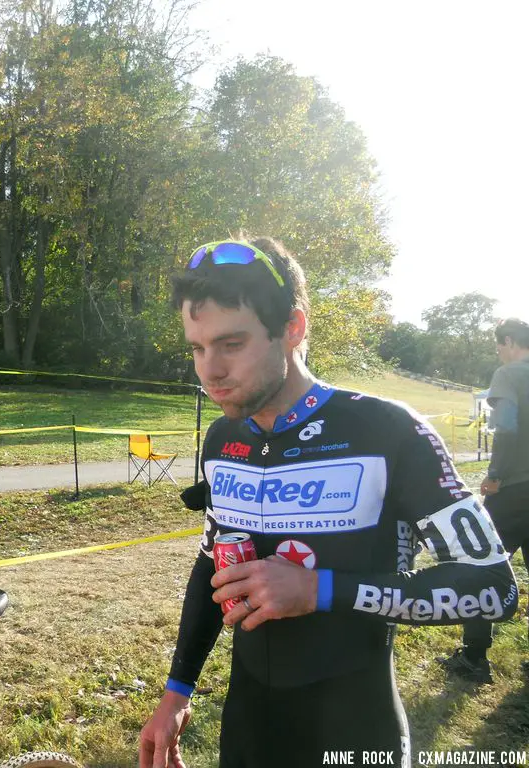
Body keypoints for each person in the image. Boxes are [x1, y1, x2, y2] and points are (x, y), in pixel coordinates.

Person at [138, 237, 518, 768]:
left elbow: (493, 588)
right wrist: (177, 692)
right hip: (249, 724)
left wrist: (321, 590)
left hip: (357, 727)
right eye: (197, 348)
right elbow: (210, 567)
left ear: (292, 328)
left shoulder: (388, 430)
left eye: (230, 345)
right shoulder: (224, 439)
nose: (209, 371)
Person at [439, 317, 529, 683]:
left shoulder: (510, 374)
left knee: (483, 569)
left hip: (514, 490)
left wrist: (495, 475)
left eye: (498, 346)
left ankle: (474, 659)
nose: (499, 353)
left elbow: (506, 426)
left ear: (508, 341)